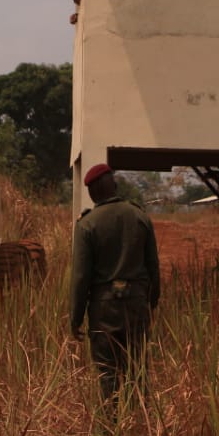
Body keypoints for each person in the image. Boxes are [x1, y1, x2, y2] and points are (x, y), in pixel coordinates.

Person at [69, 163, 160, 403]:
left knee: (108, 373)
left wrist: (76, 318)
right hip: (137, 305)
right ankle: (141, 426)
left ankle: (111, 431)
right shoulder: (139, 216)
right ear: (115, 186)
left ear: (92, 193)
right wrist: (151, 302)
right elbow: (153, 266)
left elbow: (80, 278)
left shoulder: (87, 224)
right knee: (137, 369)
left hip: (104, 309)